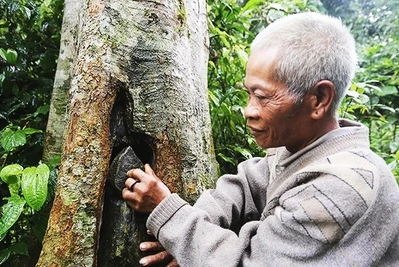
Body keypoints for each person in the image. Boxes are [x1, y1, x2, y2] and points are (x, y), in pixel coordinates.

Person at [122, 12, 399, 266]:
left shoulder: (341, 188)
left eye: (263, 97)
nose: (249, 110)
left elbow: (249, 262)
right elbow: (248, 184)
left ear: (319, 99)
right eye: (248, 93)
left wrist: (170, 215)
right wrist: (185, 237)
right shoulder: (303, 148)